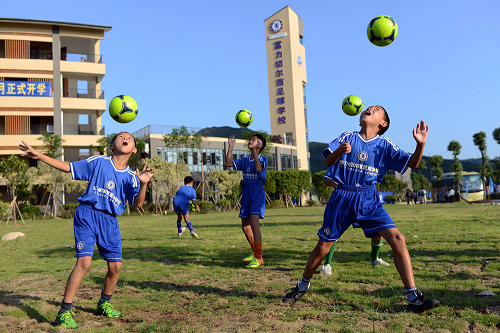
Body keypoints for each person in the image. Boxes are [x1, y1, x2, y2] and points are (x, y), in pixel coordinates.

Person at [282, 106, 439, 313]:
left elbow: (413, 163)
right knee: (323, 247)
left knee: (398, 239)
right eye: (368, 108)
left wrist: (420, 145)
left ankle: (413, 296)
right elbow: (328, 160)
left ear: (382, 124)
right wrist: (340, 151)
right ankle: (302, 286)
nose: (368, 110)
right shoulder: (348, 137)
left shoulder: (384, 145)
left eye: (375, 110)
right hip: (342, 197)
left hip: (368, 198)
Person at [19, 132, 157, 328]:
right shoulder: (98, 162)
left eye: (129, 137)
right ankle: (64, 312)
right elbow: (68, 167)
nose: (125, 138)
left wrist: (143, 184)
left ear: (134, 149)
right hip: (87, 214)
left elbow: (138, 203)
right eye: (120, 136)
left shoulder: (131, 177)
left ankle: (104, 303)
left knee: (115, 267)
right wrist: (39, 155)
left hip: (110, 221)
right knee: (84, 263)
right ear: (112, 146)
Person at [321, 167, 390, 275]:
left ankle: (374, 259)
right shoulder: (342, 159)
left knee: (378, 231)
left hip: (365, 202)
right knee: (333, 233)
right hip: (345, 201)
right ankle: (327, 264)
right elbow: (326, 180)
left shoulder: (368, 162)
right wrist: (334, 184)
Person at [224, 134, 268, 268]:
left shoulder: (263, 158)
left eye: (254, 140)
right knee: (245, 226)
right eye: (251, 139)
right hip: (247, 191)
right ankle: (255, 252)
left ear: (260, 145)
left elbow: (259, 169)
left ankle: (259, 257)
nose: (251, 141)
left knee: (254, 224)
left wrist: (254, 150)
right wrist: (230, 147)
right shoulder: (244, 160)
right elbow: (228, 164)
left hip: (257, 192)